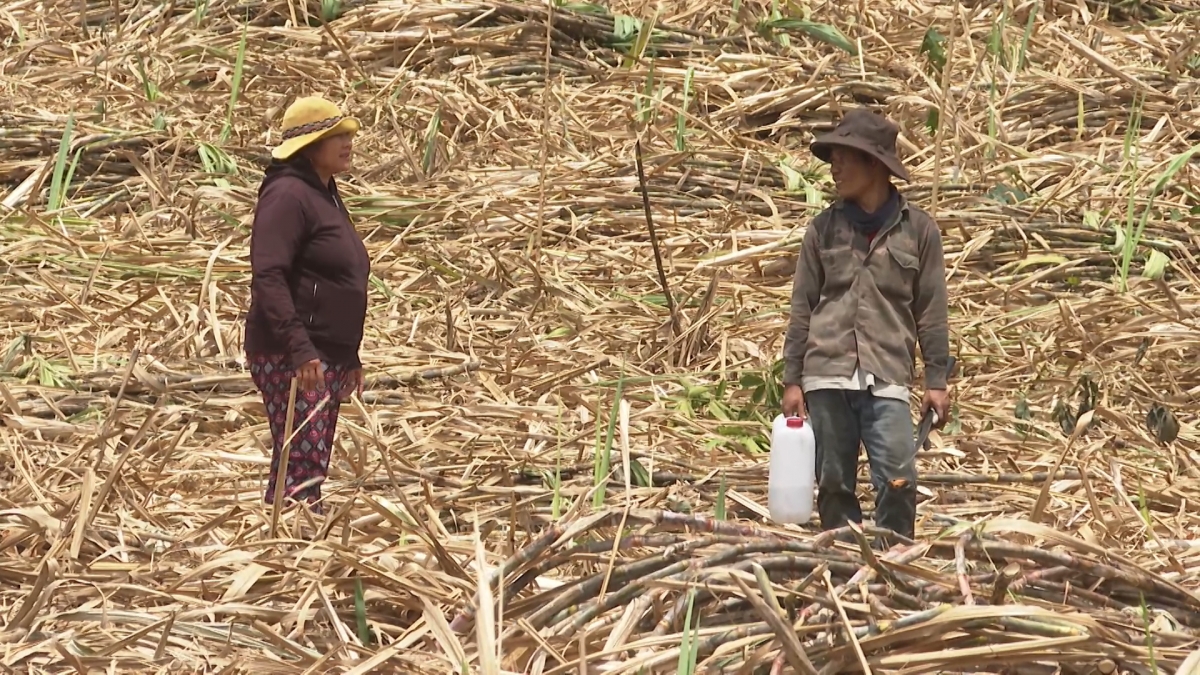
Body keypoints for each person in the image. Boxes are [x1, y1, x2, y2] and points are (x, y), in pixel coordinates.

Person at [780, 107, 951, 541]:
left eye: (844, 157)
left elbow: (930, 310)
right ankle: (842, 569)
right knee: (834, 483)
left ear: (874, 164)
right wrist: (793, 380)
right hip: (826, 374)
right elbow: (803, 308)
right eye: (832, 156)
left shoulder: (920, 232)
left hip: (887, 375)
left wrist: (936, 380)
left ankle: (895, 562)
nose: (834, 167)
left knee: (898, 479)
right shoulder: (822, 231)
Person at [243, 95, 371, 514]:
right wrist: (301, 349)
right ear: (309, 146)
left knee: (310, 460)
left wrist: (348, 355)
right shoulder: (288, 196)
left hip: (322, 354)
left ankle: (300, 544)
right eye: (336, 136)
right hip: (294, 354)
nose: (348, 142)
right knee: (301, 460)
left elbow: (337, 277)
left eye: (348, 133)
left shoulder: (323, 193)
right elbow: (269, 276)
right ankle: (291, 552)